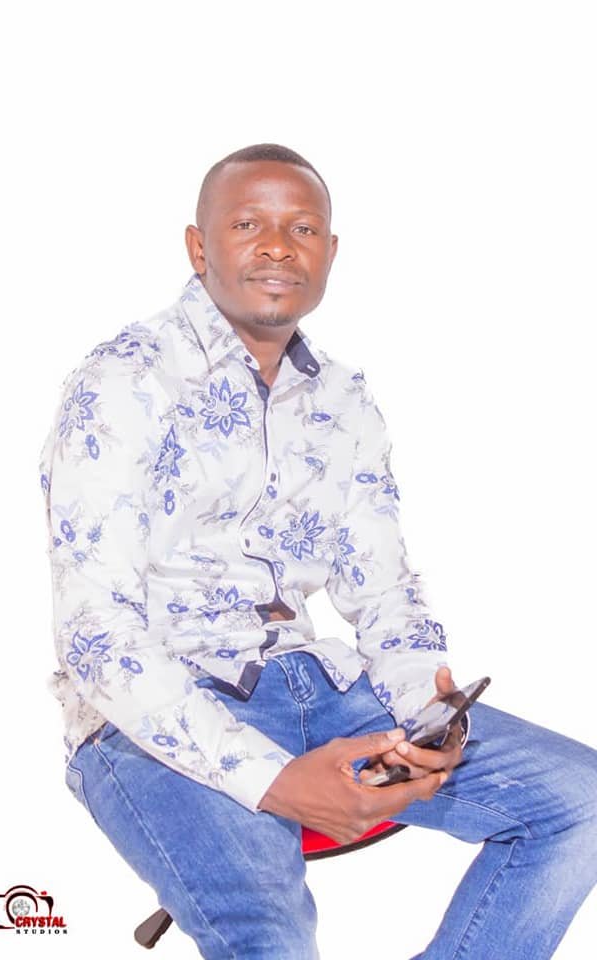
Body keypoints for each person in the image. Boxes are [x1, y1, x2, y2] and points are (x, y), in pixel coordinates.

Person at [38, 142, 597, 960]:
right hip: (153, 709)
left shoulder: (342, 397)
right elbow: (96, 635)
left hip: (319, 689)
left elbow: (385, 589)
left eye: (301, 228)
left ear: (330, 252)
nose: (277, 246)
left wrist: (427, 710)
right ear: (199, 247)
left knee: (580, 800)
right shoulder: (121, 383)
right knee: (272, 938)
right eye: (247, 225)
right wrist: (270, 780)